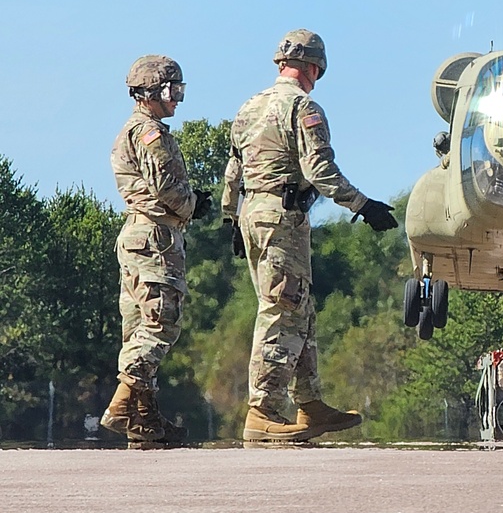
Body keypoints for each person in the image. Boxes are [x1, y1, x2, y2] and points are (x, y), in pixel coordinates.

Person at [221, 28, 398, 442]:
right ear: (315, 67)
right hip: (282, 217)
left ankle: (310, 403)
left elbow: (233, 170)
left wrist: (232, 217)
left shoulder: (249, 107)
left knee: (299, 308)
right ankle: (262, 411)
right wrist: (362, 205)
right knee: (281, 309)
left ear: (280, 63)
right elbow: (318, 170)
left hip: (254, 212)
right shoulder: (303, 108)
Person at [102, 55, 212, 443]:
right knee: (161, 323)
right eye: (172, 90)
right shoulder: (150, 133)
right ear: (150, 92)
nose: (177, 99)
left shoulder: (131, 130)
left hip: (136, 236)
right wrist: (194, 203)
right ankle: (122, 405)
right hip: (155, 238)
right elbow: (166, 186)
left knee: (136, 330)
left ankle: (144, 419)